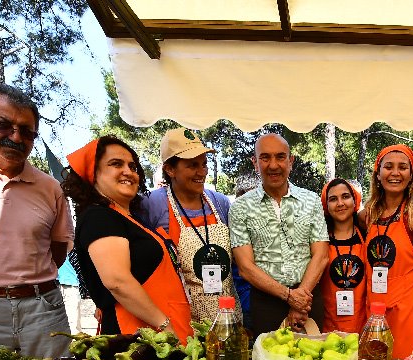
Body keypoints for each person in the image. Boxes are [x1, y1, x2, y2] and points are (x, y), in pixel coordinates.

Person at [0, 83, 73, 359]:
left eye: (26, 131)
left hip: (43, 308)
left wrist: (29, 283)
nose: (16, 137)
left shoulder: (50, 187)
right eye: (3, 125)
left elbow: (58, 249)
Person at [63, 136, 193, 342]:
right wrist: (165, 326)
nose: (128, 172)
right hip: (139, 338)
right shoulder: (99, 217)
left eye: (132, 167)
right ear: (93, 173)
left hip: (163, 333)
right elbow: (117, 282)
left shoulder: (130, 218)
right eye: (116, 164)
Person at [138, 127, 241, 326]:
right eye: (193, 165)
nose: (202, 172)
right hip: (180, 321)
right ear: (170, 169)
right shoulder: (152, 204)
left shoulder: (220, 203)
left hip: (226, 317)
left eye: (204, 164)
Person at [229, 133, 328, 335]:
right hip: (266, 304)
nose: (273, 165)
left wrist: (300, 299)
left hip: (308, 299)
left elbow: (321, 254)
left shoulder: (311, 200)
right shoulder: (240, 207)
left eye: (280, 157)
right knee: (268, 356)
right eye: (265, 158)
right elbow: (245, 267)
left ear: (290, 161)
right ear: (255, 163)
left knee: (313, 354)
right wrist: (290, 296)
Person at [360, 144, 413, 359]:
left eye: (402, 167)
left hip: (409, 311)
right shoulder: (370, 213)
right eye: (388, 167)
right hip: (376, 310)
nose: (395, 173)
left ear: (411, 175)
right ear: (378, 174)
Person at [319, 178, 367, 334]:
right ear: (326, 206)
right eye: (333, 199)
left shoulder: (368, 236)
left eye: (345, 197)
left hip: (364, 327)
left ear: (355, 201)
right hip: (328, 329)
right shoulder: (319, 241)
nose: (340, 203)